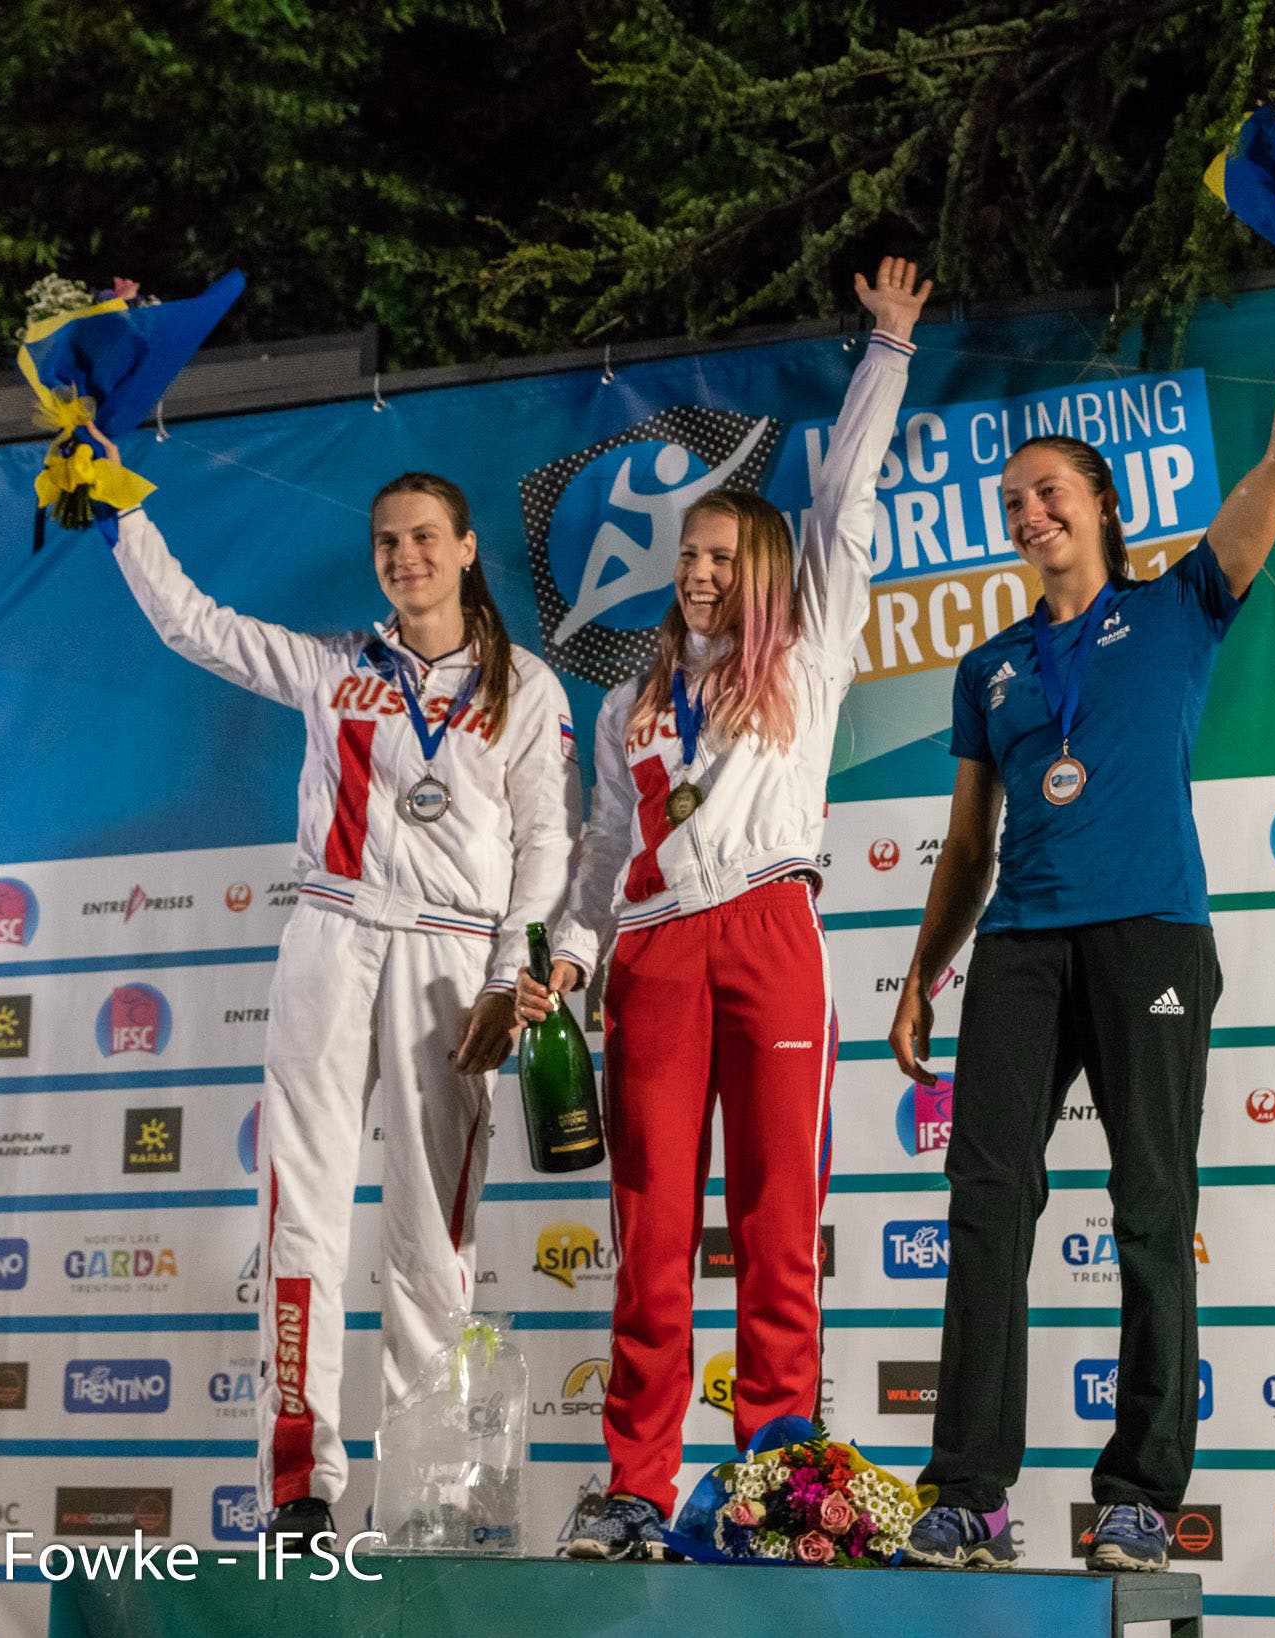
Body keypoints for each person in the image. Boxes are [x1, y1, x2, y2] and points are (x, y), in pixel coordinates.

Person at [889, 245, 1275, 1571]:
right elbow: (970, 842)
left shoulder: (1184, 604)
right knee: (988, 1205)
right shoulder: (991, 668)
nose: (1024, 511)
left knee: (1150, 1201)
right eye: (1009, 499)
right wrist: (923, 969)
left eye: (1046, 492)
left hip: (1150, 932)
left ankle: (1140, 1492)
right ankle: (967, 1490)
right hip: (1019, 943)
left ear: (1101, 504)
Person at [515, 258, 931, 1560]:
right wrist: (572, 966)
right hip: (649, 957)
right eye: (685, 554)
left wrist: (887, 355)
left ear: (755, 561)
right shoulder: (626, 702)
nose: (695, 570)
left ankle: (773, 1481)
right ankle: (637, 1486)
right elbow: (599, 851)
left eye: (716, 551)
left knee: (772, 1221)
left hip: (767, 928)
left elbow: (846, 505)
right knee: (648, 1237)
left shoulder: (804, 652)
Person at [102, 471, 580, 1545]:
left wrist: (514, 975)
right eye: (385, 542)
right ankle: (297, 1489)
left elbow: (547, 843)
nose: (403, 557)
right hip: (331, 930)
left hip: (454, 955)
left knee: (431, 1234)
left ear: (465, 549)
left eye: (423, 538)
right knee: (302, 1217)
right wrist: (123, 511)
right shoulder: (332, 667)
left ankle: (427, 1491)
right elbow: (196, 629)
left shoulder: (527, 687)